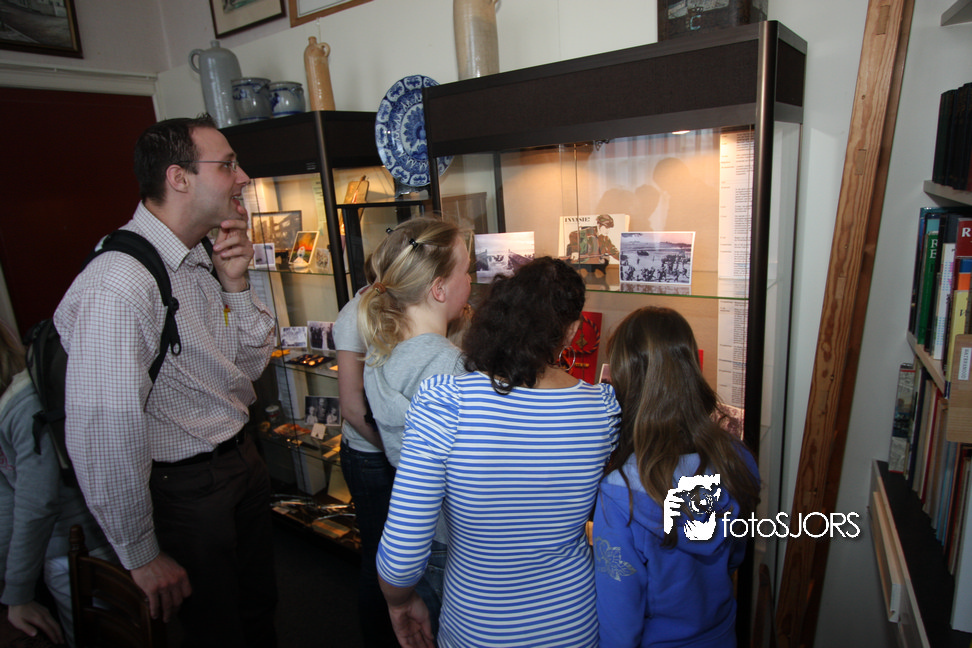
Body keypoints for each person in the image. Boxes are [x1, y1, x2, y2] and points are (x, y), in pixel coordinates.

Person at [53, 115, 278, 647]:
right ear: (179, 178)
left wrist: (237, 284)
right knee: (215, 632)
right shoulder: (119, 284)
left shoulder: (199, 254)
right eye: (227, 165)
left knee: (258, 612)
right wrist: (141, 553)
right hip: (187, 491)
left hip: (239, 463)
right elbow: (103, 429)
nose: (243, 177)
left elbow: (247, 369)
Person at [377, 256, 622, 648]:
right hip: (572, 623)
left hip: (477, 627)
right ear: (572, 331)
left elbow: (402, 554)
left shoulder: (446, 401)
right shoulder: (602, 409)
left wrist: (399, 601)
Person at [592, 306, 760, 648]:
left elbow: (619, 622)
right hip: (720, 634)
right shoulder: (736, 459)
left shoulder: (620, 494)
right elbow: (735, 555)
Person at [359, 216, 472, 637]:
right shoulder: (452, 369)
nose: (471, 280)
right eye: (466, 270)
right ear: (439, 289)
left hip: (421, 538)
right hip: (457, 541)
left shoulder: (380, 351)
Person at [0, 321, 112, 647]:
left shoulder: (23, 405)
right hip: (57, 554)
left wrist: (18, 592)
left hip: (81, 550)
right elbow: (7, 499)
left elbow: (37, 503)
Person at [334, 270, 399, 647]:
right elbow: (352, 406)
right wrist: (398, 452)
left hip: (387, 453)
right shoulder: (355, 314)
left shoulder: (394, 306)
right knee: (379, 559)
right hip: (370, 457)